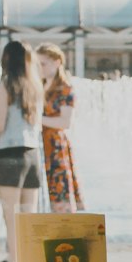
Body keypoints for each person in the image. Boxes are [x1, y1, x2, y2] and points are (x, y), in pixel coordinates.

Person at [0, 40, 42, 262]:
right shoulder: (35, 85)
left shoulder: (6, 84)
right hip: (32, 154)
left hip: (10, 153)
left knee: (11, 215)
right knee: (28, 215)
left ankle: (14, 261)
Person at [35, 43, 83, 214]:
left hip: (55, 146)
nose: (39, 68)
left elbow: (65, 122)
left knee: (60, 196)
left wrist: (37, 119)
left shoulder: (65, 88)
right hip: (40, 145)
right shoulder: (39, 86)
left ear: (57, 62)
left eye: (43, 64)